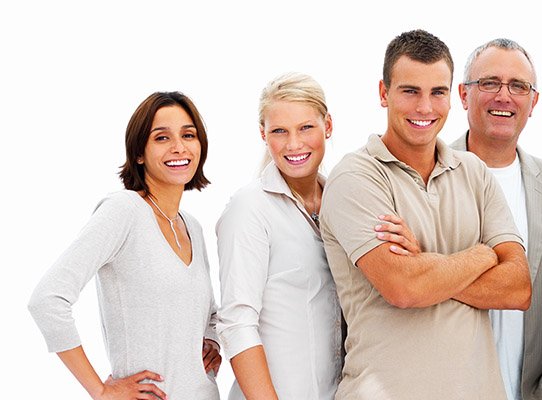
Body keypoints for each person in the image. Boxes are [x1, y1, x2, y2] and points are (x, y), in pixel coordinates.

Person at [319, 29, 531, 399]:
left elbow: (517, 288)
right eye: (410, 91)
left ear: (452, 96)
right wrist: (482, 255)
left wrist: (425, 265)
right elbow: (404, 288)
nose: (425, 108)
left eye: (437, 92)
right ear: (384, 93)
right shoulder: (355, 177)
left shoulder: (474, 172)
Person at [28, 92, 221, 399]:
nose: (179, 147)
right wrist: (101, 391)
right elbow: (47, 300)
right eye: (162, 137)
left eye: (188, 135)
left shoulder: (192, 226)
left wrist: (212, 340)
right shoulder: (124, 211)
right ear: (139, 153)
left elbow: (208, 312)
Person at [451, 38, 542, 400]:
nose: (504, 96)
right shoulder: (421, 177)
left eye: (518, 86)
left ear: (533, 101)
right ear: (463, 95)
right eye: (489, 83)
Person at [216, 73, 341, 399]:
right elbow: (237, 323)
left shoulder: (342, 202)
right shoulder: (250, 208)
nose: (294, 144)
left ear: (327, 125)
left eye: (306, 127)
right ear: (263, 134)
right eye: (279, 131)